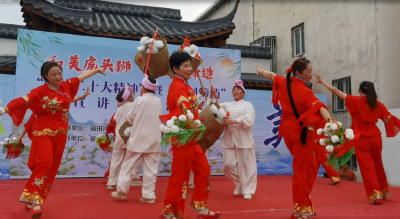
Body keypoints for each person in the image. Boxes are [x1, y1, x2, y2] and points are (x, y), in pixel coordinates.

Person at [0, 61, 106, 219]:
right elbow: (24, 101)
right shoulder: (40, 91)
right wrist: (4, 110)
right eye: (53, 75)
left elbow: (81, 76)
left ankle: (30, 198)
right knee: (45, 163)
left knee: (51, 167)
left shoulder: (66, 86)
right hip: (43, 133)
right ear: (45, 77)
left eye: (59, 73)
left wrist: (96, 70)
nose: (57, 77)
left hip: (61, 135)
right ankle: (35, 202)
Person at [256, 58, 334, 219]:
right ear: (298, 73)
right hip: (302, 133)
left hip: (288, 131)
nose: (311, 74)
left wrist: (261, 72)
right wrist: (332, 123)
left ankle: (305, 203)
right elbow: (320, 108)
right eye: (309, 71)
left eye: (312, 70)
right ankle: (298, 208)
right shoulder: (305, 92)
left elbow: (272, 76)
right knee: (302, 170)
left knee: (311, 165)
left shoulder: (284, 82)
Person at [315, 75, 400, 205]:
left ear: (360, 91)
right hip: (376, 138)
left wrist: (323, 83)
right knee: (377, 164)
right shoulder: (378, 105)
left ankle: (375, 194)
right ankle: (383, 190)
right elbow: (389, 120)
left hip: (361, 138)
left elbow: (336, 92)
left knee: (367, 167)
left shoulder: (356, 100)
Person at [159, 51, 221, 219]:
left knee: (204, 170)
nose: (190, 68)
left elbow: (190, 109)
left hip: (191, 137)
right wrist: (195, 122)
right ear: (175, 69)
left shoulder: (185, 85)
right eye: (185, 66)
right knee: (180, 176)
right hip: (183, 136)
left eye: (190, 65)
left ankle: (201, 208)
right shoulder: (177, 86)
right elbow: (183, 108)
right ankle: (168, 212)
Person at [112, 75, 162, 204]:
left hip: (138, 138)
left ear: (144, 87)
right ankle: (149, 195)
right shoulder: (158, 101)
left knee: (127, 165)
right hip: (154, 139)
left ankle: (122, 191)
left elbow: (130, 118)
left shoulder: (139, 100)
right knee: (151, 169)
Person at [210, 80, 257, 200]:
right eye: (234, 90)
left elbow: (249, 119)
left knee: (247, 166)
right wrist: (211, 96)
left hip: (244, 139)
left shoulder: (248, 105)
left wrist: (234, 121)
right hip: (230, 139)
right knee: (227, 165)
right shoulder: (227, 105)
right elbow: (214, 109)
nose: (236, 91)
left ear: (243, 93)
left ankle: (249, 190)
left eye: (238, 89)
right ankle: (240, 183)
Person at [105, 101, 143, 187]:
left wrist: (107, 135)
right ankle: (130, 179)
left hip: (119, 136)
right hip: (128, 135)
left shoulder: (118, 110)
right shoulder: (133, 106)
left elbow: (111, 124)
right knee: (131, 159)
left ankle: (111, 182)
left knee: (116, 160)